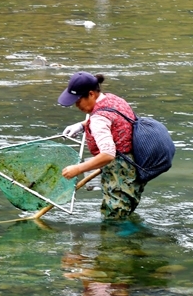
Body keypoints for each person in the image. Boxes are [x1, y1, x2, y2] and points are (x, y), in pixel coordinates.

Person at [58, 72, 145, 220]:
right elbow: (115, 121)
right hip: (135, 162)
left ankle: (119, 241)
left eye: (78, 101)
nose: (76, 105)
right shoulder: (113, 99)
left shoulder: (99, 118)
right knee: (126, 209)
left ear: (91, 94)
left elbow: (107, 154)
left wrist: (77, 169)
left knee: (115, 216)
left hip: (120, 170)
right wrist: (82, 125)